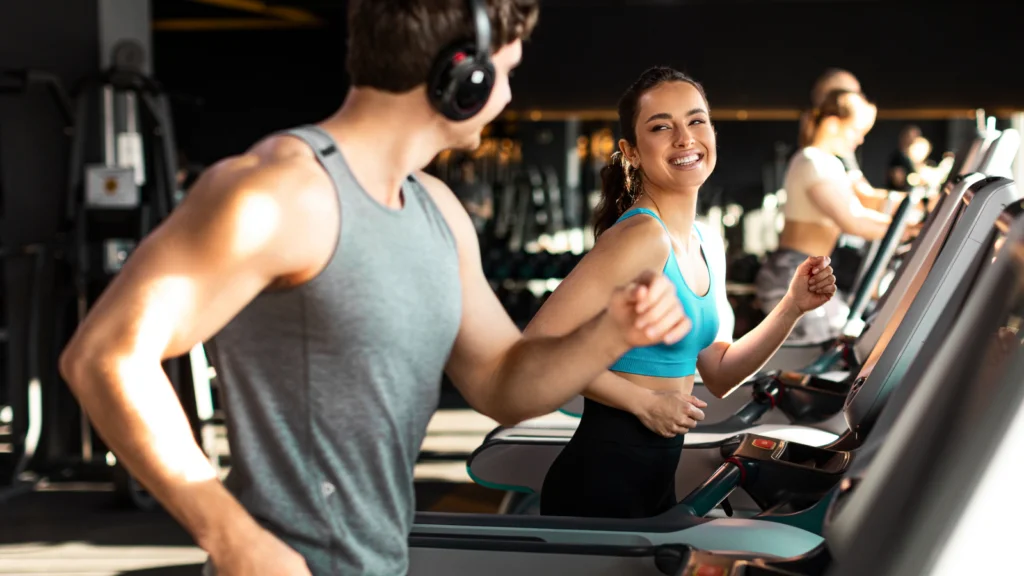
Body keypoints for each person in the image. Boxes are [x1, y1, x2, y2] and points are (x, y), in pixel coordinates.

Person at [55, 2, 697, 575]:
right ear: (461, 76)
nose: (506, 96)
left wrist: (610, 331)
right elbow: (106, 355)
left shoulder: (437, 212)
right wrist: (232, 538)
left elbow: (504, 384)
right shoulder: (282, 190)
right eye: (503, 73)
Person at [525, 66, 838, 519]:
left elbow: (719, 372)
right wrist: (643, 403)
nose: (685, 138)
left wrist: (792, 307)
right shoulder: (640, 237)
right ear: (630, 152)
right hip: (600, 482)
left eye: (696, 121)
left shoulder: (707, 240)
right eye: (660, 127)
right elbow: (537, 347)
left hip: (653, 481)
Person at [757, 89, 893, 345]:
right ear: (832, 124)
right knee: (832, 346)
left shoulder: (829, 163)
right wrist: (916, 229)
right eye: (856, 131)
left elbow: (866, 201)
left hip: (810, 272)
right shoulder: (812, 161)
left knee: (846, 338)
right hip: (792, 274)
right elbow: (853, 221)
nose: (861, 139)